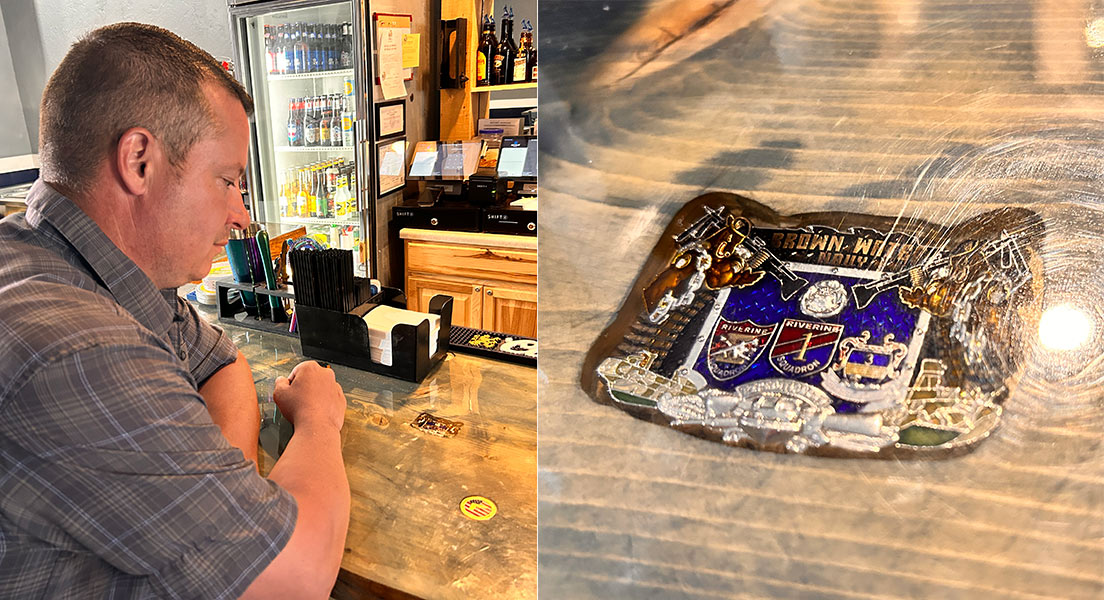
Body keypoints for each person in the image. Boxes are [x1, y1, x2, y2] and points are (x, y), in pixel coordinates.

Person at [0, 23, 350, 598]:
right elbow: (294, 577)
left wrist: (223, 490)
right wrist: (317, 419)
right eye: (228, 181)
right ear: (139, 160)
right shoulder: (78, 349)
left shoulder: (89, 267)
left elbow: (221, 362)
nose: (243, 215)